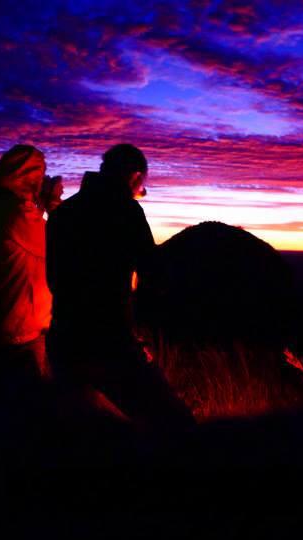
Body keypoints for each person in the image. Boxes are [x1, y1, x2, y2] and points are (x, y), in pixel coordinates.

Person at [46, 144, 195, 430]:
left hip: (64, 337)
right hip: (108, 340)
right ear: (135, 176)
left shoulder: (66, 212)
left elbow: (53, 275)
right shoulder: (125, 210)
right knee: (174, 422)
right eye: (143, 182)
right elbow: (153, 272)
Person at [0, 144, 62, 385]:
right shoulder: (18, 214)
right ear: (28, 176)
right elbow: (61, 241)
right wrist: (52, 203)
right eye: (39, 174)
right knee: (32, 407)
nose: (42, 181)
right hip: (20, 332)